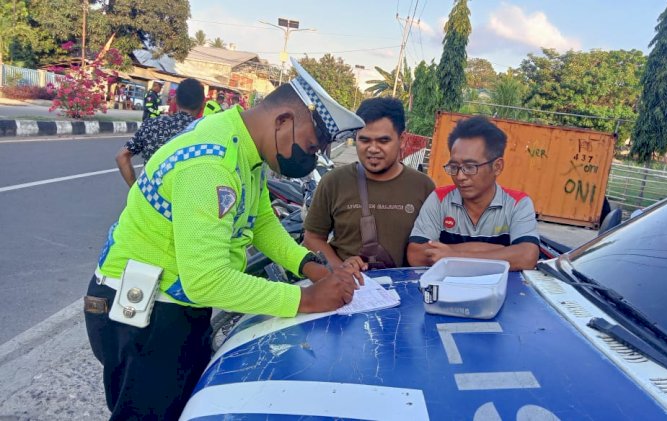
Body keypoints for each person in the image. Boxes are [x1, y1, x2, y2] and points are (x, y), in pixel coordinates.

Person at [84, 57, 365, 420]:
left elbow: (260, 220)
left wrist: (309, 265)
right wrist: (305, 299)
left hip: (175, 302)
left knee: (185, 404)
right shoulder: (210, 165)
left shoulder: (243, 148)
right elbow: (206, 279)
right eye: (311, 147)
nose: (310, 159)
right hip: (142, 311)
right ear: (283, 122)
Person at [303, 97, 435, 269]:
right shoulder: (333, 182)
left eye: (383, 141)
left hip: (405, 293)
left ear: (402, 140)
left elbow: (432, 246)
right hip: (349, 292)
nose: (373, 149)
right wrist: (340, 270)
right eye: (364, 140)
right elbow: (312, 238)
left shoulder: (423, 187)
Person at [406, 116, 539, 271]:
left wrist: (452, 256)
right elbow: (415, 255)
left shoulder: (517, 203)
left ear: (497, 166)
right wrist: (501, 251)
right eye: (454, 166)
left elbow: (527, 257)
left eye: (470, 167)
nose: (460, 176)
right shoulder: (439, 200)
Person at [115, 78, 206, 187]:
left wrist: (136, 190)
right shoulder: (204, 133)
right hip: (182, 200)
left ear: (175, 100)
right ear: (202, 105)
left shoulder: (151, 125)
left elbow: (122, 157)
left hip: (149, 198)